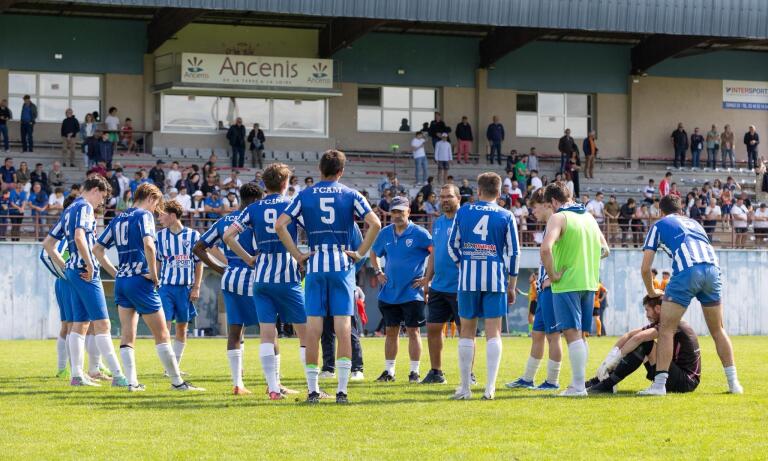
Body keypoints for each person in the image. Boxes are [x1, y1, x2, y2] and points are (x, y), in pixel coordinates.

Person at [277, 149, 382, 404]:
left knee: (313, 328)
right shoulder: (351, 194)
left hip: (315, 263)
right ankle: (342, 391)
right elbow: (376, 224)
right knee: (343, 327)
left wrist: (297, 255)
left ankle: (313, 390)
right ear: (341, 172)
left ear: (319, 169)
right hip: (341, 263)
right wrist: (359, 253)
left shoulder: (305, 194)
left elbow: (280, 225)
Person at [94, 183, 200, 392]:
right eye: (156, 204)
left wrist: (116, 273)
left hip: (122, 282)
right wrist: (154, 274)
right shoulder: (144, 215)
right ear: (151, 198)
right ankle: (178, 382)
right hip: (140, 281)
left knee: (127, 334)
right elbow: (149, 245)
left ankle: (132, 383)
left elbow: (97, 249)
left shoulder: (117, 218)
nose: (156, 210)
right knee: (162, 334)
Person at [638, 194, 742, 395]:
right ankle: (734, 383)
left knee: (667, 329)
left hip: (688, 270)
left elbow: (645, 268)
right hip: (712, 270)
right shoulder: (695, 223)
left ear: (661, 211)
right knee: (718, 330)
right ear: (681, 210)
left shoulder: (659, 225)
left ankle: (659, 385)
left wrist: (651, 291)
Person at [224, 163, 308, 400]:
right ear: (285, 183)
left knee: (267, 334)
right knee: (306, 334)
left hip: (260, 276)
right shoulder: (292, 205)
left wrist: (248, 258)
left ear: (265, 184)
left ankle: (273, 388)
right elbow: (308, 229)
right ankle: (313, 387)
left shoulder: (254, 208)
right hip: (287, 276)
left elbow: (228, 236)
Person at [42, 176, 126, 387]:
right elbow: (79, 237)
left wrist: (65, 266)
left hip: (72, 271)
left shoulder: (69, 209)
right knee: (103, 323)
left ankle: (77, 375)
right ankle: (119, 376)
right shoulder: (85, 207)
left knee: (79, 325)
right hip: (85, 272)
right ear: (95, 190)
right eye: (103, 198)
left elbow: (48, 243)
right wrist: (89, 264)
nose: (101, 203)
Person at [448, 172, 520, 400]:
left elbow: (452, 246)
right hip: (495, 280)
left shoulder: (464, 211)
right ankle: (489, 388)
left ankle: (465, 389)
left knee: (467, 331)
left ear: (478, 191)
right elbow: (514, 252)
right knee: (493, 332)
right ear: (499, 193)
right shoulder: (507, 215)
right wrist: (512, 283)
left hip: (468, 279)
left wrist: (464, 264)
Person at [540, 182, 609, 396]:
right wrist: (584, 261)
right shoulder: (588, 217)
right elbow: (605, 250)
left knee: (571, 334)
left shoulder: (559, 217)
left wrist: (553, 276)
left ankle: (578, 387)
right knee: (581, 336)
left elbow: (545, 249)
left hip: (567, 284)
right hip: (589, 283)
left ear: (553, 201)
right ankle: (577, 384)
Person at [194, 184, 263, 395]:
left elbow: (198, 247)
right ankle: (274, 384)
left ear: (241, 199)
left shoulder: (225, 221)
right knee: (270, 330)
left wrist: (221, 268)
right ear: (258, 200)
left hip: (231, 278)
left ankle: (237, 383)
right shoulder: (259, 220)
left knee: (235, 331)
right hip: (257, 278)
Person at [370, 196, 432, 383]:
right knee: (391, 332)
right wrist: (378, 272)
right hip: (389, 292)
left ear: (408, 212)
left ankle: (414, 372)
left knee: (414, 332)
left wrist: (428, 278)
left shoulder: (420, 233)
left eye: (400, 211)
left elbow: (435, 252)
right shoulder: (385, 232)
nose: (397, 215)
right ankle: (389, 372)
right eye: (394, 211)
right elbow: (374, 253)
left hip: (412, 292)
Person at [506, 188, 562, 391]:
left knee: (553, 336)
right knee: (537, 334)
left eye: (535, 207)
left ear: (547, 204)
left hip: (552, 289)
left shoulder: (558, 222)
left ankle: (553, 381)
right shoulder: (549, 225)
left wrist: (554, 278)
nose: (533, 212)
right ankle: (528, 378)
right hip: (542, 290)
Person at [586, 296, 700, 394]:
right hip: (675, 374)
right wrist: (609, 357)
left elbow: (639, 337)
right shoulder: (664, 321)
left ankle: (607, 384)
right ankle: (601, 380)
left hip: (686, 381)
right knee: (639, 343)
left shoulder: (672, 323)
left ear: (658, 308)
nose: (646, 314)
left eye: (647, 310)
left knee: (645, 343)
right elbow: (630, 335)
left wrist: (616, 359)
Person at [420, 184, 468, 384]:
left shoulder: (465, 221)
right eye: (442, 197)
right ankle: (436, 372)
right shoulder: (438, 222)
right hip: (438, 286)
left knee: (464, 332)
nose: (445, 200)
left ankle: (468, 375)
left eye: (449, 196)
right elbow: (434, 253)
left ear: (458, 199)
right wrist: (426, 279)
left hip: (459, 285)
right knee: (432, 328)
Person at [155, 200, 203, 373]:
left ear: (172, 216)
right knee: (165, 327)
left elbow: (199, 263)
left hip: (185, 289)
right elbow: (158, 262)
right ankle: (169, 368)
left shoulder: (193, 236)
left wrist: (196, 287)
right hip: (165, 287)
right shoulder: (159, 236)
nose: (159, 218)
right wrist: (155, 282)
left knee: (182, 327)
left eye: (162, 214)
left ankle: (175, 366)